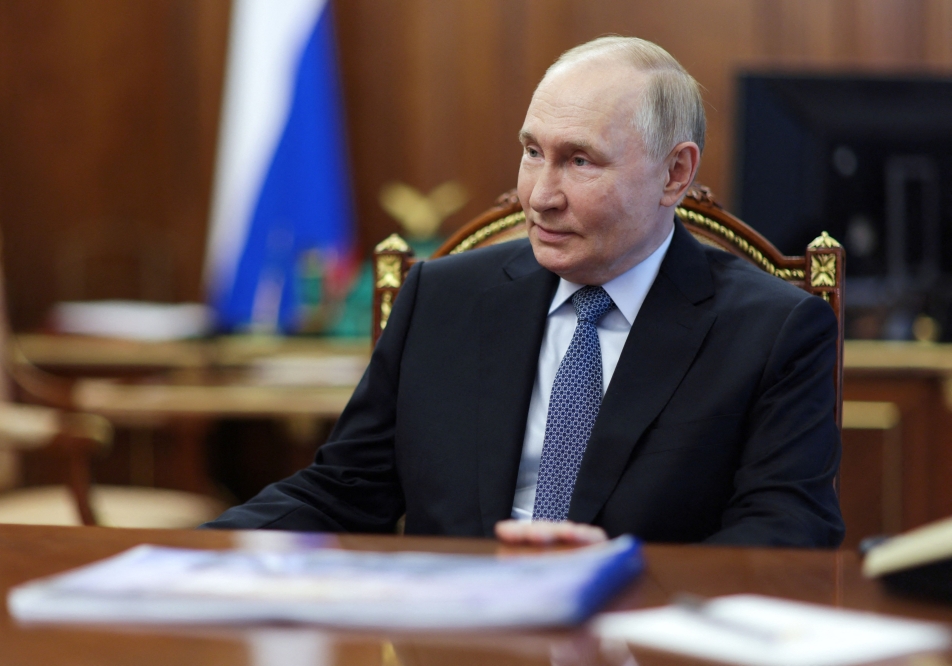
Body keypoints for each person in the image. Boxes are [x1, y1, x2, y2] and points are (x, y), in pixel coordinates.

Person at [204, 36, 844, 548]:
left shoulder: (773, 331)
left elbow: (787, 531)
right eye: (533, 151)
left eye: (580, 161)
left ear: (674, 173)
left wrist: (623, 576)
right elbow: (342, 490)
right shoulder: (442, 299)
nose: (540, 195)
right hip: (456, 641)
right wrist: (187, 557)